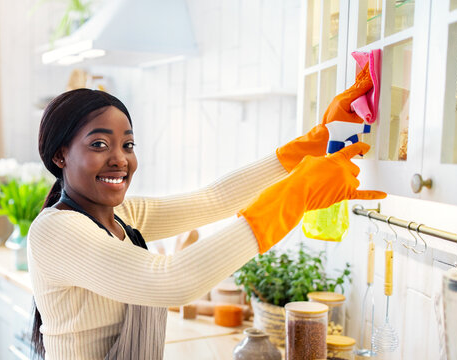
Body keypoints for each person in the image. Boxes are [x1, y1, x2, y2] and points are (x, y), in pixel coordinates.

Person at [28, 66, 385, 360]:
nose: (120, 159)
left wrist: (314, 143)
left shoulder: (121, 217)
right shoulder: (57, 231)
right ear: (60, 156)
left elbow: (216, 199)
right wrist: (296, 195)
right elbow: (171, 281)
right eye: (99, 144)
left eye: (128, 144)